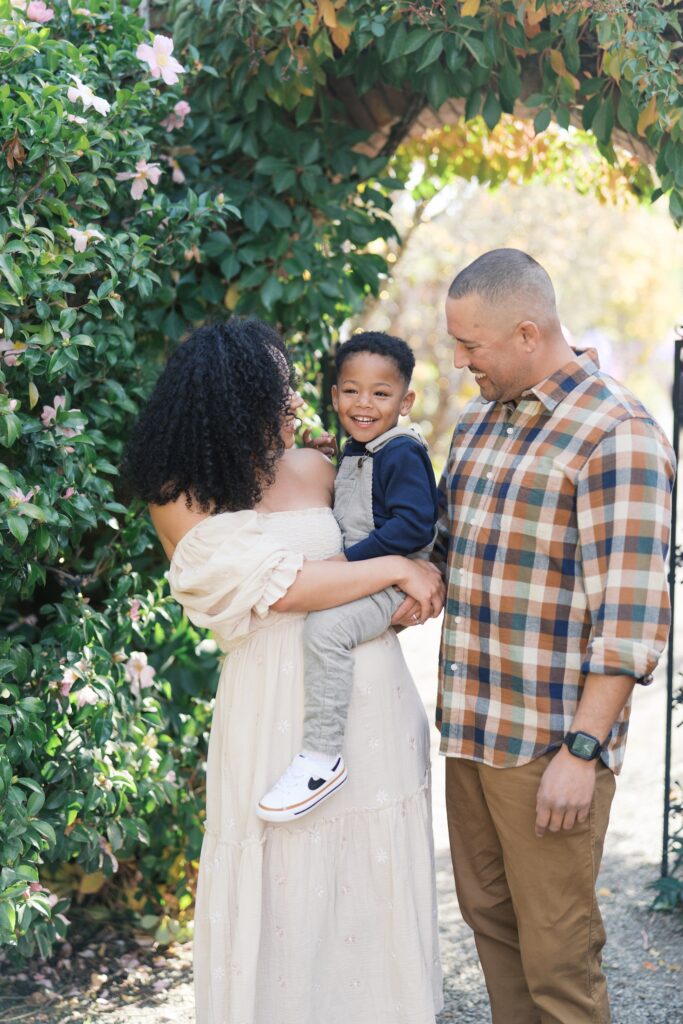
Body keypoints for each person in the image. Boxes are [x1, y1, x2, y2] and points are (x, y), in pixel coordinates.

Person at [123, 318, 444, 1024]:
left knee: (369, 870)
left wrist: (409, 588)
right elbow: (284, 587)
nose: (294, 407)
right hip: (269, 704)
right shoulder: (178, 496)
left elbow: (390, 547)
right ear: (236, 398)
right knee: (277, 868)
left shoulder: (316, 466)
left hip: (367, 691)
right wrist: (395, 569)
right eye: (280, 393)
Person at [430, 248, 674, 1023]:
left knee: (559, 960)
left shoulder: (616, 433)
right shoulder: (475, 425)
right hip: (469, 732)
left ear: (527, 332)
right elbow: (438, 556)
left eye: (470, 346)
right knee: (493, 932)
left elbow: (630, 618)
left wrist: (581, 751)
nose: (460, 361)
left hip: (547, 747)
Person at [257, 332, 439, 822]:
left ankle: (321, 756)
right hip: (370, 575)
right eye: (352, 391)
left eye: (381, 394)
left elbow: (412, 525)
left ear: (406, 401)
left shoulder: (401, 452)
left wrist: (351, 562)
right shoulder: (363, 449)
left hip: (389, 582)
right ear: (334, 396)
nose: (364, 403)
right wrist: (332, 458)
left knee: (327, 629)